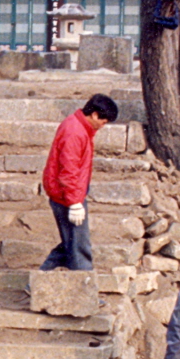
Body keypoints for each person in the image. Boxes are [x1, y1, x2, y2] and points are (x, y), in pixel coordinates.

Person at [40, 93, 118, 272]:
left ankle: (40, 277)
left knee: (71, 243)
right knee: (79, 246)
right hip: (67, 196)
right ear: (95, 115)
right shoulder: (75, 132)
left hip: (68, 194)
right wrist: (75, 203)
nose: (103, 126)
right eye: (103, 122)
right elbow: (69, 169)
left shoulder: (77, 127)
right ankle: (86, 285)